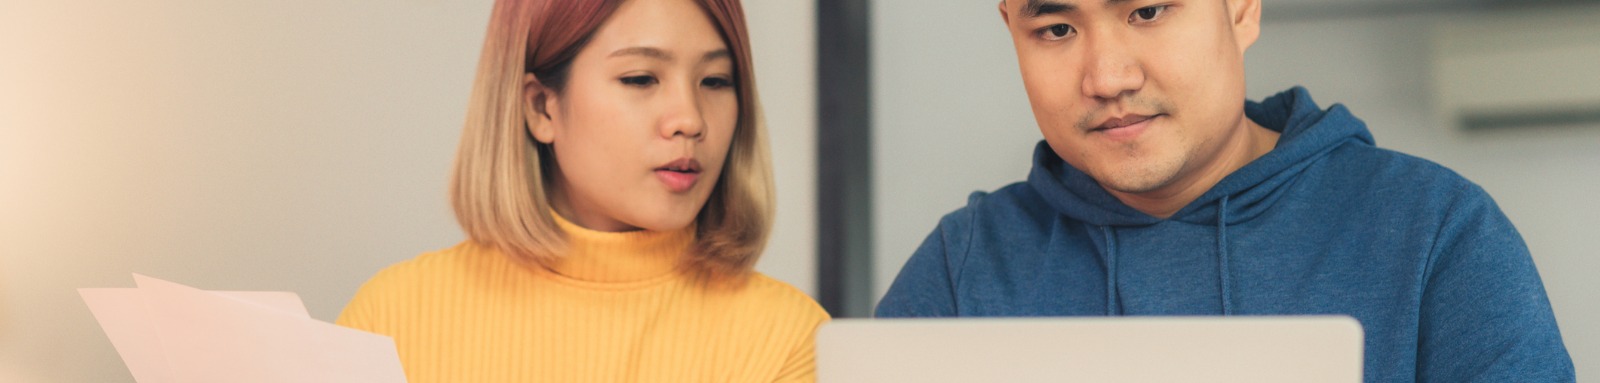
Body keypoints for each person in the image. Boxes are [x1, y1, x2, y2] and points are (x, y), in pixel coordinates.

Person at [875, 0, 1575, 381]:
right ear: (1010, 28)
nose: (1107, 76)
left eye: (1147, 11)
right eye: (1056, 28)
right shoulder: (959, 273)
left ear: (1242, 9)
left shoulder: (1437, 234)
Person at [336, 0, 828, 381]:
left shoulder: (788, 340)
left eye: (716, 81)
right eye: (640, 78)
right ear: (541, 108)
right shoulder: (391, 320)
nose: (691, 120)